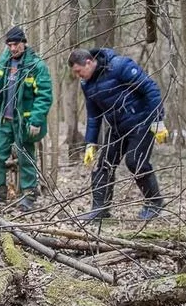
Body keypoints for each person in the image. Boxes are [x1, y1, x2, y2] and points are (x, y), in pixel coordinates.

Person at [68, 48, 168, 221]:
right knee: (103, 164)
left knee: (135, 161)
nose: (79, 76)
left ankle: (155, 202)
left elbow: (150, 89)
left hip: (141, 122)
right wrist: (90, 143)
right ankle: (100, 209)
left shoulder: (120, 66)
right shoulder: (87, 84)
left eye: (79, 71)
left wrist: (157, 121)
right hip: (116, 128)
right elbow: (93, 115)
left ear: (89, 62)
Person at [0, 26, 53, 212]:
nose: (13, 48)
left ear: (24, 43)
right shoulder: (4, 64)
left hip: (23, 123)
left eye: (16, 44)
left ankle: (28, 196)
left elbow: (44, 96)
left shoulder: (36, 66)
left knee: (26, 158)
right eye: (10, 45)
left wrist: (36, 120)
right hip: (3, 121)